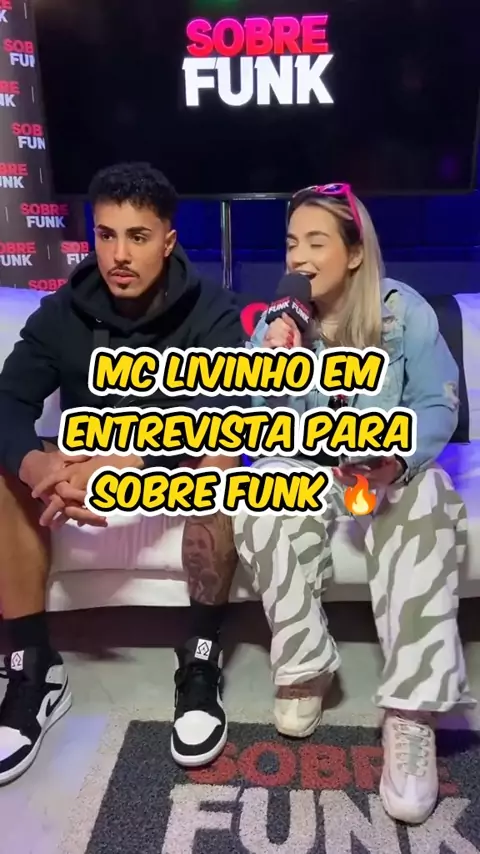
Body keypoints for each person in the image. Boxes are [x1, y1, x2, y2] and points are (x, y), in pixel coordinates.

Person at [233, 183, 474, 825]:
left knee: (429, 491)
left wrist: (396, 457)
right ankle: (306, 666)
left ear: (355, 251)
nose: (300, 256)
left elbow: (437, 405)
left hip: (383, 468)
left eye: (317, 242)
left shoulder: (404, 311)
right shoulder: (277, 322)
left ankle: (411, 714)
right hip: (310, 470)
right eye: (292, 243)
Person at [0, 162, 243, 783]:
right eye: (106, 235)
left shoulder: (211, 310)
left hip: (166, 474)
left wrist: (127, 464)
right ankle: (33, 669)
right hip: (76, 479)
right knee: (6, 469)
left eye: (138, 237)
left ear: (168, 240)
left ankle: (199, 658)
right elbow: (7, 400)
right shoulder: (65, 311)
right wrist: (39, 464)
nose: (119, 255)